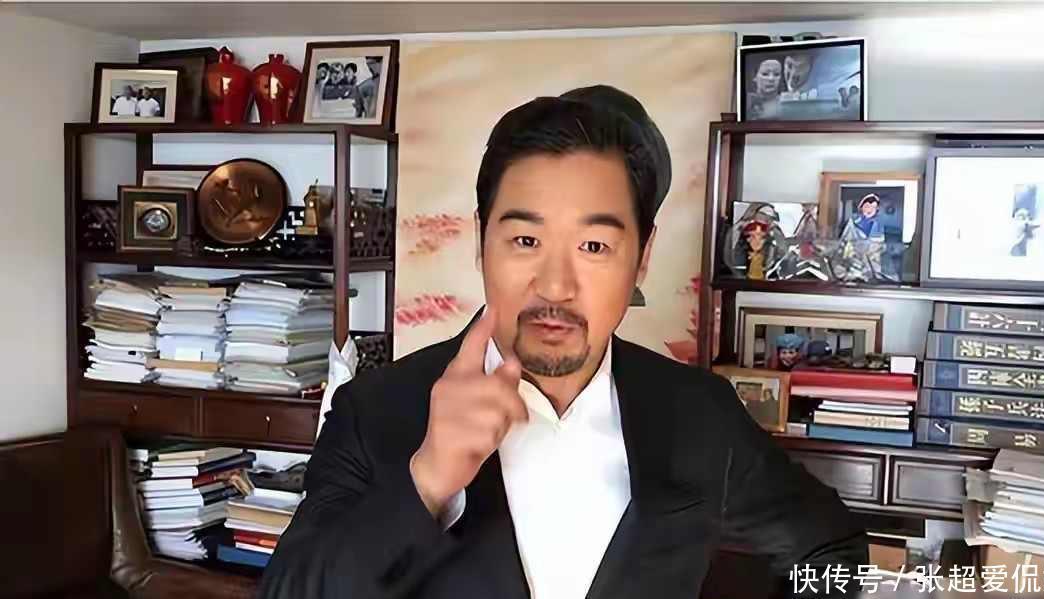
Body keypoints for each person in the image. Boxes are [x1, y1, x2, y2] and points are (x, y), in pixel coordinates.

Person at [258, 84, 866, 599]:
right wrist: (428, 478)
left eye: (594, 246)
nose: (555, 285)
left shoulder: (697, 413)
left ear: (642, 257)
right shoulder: (376, 409)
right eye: (525, 241)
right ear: (482, 242)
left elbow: (832, 549)